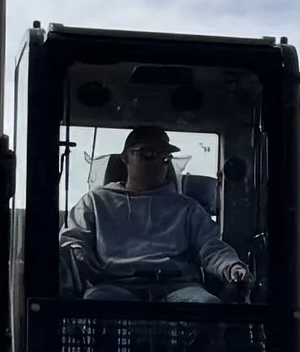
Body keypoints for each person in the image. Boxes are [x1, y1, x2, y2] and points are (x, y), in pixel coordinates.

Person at [60, 125, 250, 301]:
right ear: (125, 157)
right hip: (116, 284)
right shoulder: (95, 202)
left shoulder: (186, 208)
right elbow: (73, 241)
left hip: (177, 285)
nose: (158, 162)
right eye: (148, 154)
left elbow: (211, 247)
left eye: (165, 157)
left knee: (206, 305)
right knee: (98, 303)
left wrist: (231, 266)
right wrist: (81, 258)